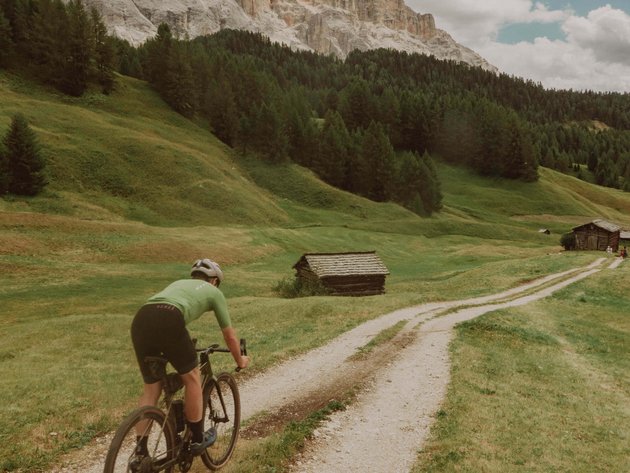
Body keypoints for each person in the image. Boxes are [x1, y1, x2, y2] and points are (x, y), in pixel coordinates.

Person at [131, 258, 249, 456]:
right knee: (193, 376)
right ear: (214, 281)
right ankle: (196, 439)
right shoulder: (214, 291)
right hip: (169, 318)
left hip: (141, 320)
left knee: (152, 389)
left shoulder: (178, 284)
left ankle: (140, 452)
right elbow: (229, 335)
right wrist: (240, 360)